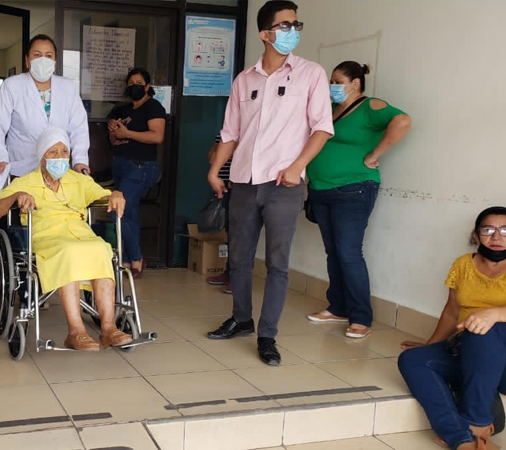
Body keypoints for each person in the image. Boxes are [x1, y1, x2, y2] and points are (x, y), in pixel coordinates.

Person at [205, 0, 334, 366]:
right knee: (240, 259)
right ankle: (241, 319)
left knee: (277, 263)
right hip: (244, 181)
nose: (292, 31)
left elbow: (322, 127)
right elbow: (231, 132)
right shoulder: (245, 79)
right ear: (265, 34)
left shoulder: (311, 73)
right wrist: (216, 169)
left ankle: (267, 336)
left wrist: (298, 166)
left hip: (284, 184)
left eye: (296, 24)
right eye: (284, 25)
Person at [0, 128, 130, 351]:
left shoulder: (78, 181)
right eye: (53, 152)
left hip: (81, 236)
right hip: (47, 239)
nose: (60, 157)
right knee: (69, 251)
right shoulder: (26, 182)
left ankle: (108, 328)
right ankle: (76, 332)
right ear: (42, 156)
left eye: (64, 152)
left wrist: (116, 194)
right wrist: (15, 197)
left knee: (102, 249)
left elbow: (104, 194)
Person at [305, 61, 412, 339]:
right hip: (321, 188)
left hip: (353, 189)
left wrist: (374, 155)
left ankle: (361, 317)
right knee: (333, 251)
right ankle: (338, 307)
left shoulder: (370, 106)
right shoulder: (329, 109)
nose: (332, 86)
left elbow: (402, 121)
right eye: (331, 80)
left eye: (338, 81)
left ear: (355, 83)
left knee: (349, 252)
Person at [398, 207, 506, 450]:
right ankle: (461, 438)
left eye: (505, 230)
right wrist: (431, 345)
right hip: (469, 351)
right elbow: (451, 312)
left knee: (482, 330)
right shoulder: (463, 265)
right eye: (488, 230)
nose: (497, 237)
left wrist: (495, 314)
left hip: (503, 358)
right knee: (412, 360)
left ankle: (477, 421)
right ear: (476, 235)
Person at [0, 34, 90, 178]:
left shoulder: (68, 87)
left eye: (48, 55)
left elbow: (79, 128)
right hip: (22, 168)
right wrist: (0, 158)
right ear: (27, 60)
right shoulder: (12, 86)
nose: (43, 60)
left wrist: (80, 160)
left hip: (58, 168)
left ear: (55, 60)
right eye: (37, 55)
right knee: (24, 200)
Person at [106, 67, 165, 278]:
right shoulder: (121, 110)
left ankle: (135, 259)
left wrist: (127, 132)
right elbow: (114, 139)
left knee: (117, 210)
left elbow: (157, 136)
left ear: (147, 87)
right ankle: (127, 260)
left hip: (141, 166)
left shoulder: (153, 107)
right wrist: (114, 130)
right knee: (128, 213)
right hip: (120, 164)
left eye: (138, 83)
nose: (134, 86)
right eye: (130, 83)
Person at [206, 134, 233, 294]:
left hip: (240, 185)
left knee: (241, 234)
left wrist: (223, 149)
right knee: (230, 231)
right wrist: (218, 149)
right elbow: (211, 156)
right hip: (221, 184)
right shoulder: (222, 132)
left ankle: (238, 278)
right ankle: (229, 272)